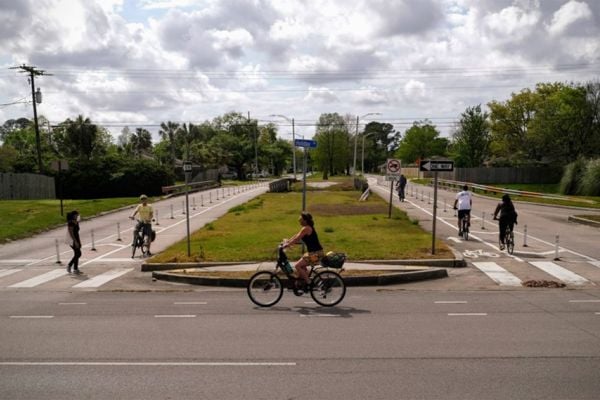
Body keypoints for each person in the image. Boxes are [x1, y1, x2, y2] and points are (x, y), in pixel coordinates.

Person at [283, 212, 324, 288]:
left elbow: (297, 239)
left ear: (305, 220)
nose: (299, 220)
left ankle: (309, 282)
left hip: (316, 255)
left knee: (297, 266)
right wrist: (287, 242)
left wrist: (288, 245)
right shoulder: (306, 228)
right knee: (301, 265)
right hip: (313, 253)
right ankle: (303, 283)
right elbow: (296, 236)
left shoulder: (306, 228)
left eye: (300, 219)